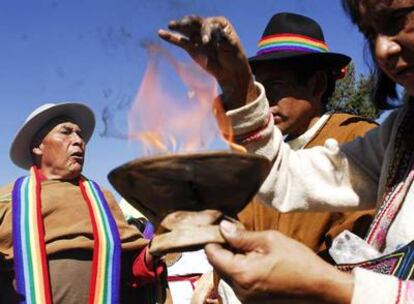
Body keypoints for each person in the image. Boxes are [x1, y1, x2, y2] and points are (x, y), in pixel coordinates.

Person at [158, 0, 414, 302]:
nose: (383, 49)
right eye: (371, 33)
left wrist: (322, 283)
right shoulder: (398, 138)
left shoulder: (354, 134)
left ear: (317, 83)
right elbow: (285, 179)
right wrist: (241, 90)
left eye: (397, 19)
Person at [0, 103, 166, 303]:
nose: (79, 141)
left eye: (79, 134)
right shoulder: (9, 200)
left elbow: (133, 270)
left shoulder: (103, 200)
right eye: (66, 132)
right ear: (38, 146)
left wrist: (158, 246)